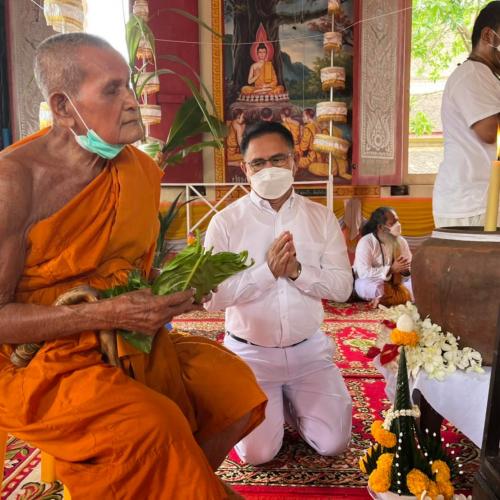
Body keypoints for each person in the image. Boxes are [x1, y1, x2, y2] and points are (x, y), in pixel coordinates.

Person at [0, 33, 267, 499]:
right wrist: (104, 314)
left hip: (126, 338)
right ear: (63, 107)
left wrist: (174, 291)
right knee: (154, 427)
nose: (131, 101)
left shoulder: (135, 171)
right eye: (112, 90)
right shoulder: (14, 182)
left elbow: (128, 272)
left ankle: (182, 484)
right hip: (36, 359)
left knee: (233, 387)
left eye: (128, 85)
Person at [204, 121, 353, 465]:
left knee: (334, 443)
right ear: (245, 169)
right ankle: (279, 405)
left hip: (308, 352)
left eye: (278, 159)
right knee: (257, 454)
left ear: (294, 161)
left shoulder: (320, 218)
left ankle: (291, 403)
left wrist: (297, 271)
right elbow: (212, 299)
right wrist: (266, 273)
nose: (268, 169)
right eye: (258, 163)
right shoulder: (225, 223)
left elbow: (343, 288)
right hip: (250, 356)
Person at [433, 1, 500, 228]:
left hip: (481, 200)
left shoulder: (487, 76)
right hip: (471, 203)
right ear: (489, 36)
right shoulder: (472, 74)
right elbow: (489, 131)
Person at [353, 207, 413, 309]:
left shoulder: (401, 241)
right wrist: (391, 269)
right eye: (392, 223)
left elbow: (410, 267)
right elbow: (363, 273)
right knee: (365, 286)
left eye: (397, 221)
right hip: (373, 282)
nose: (398, 225)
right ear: (380, 227)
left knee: (417, 284)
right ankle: (395, 298)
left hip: (397, 283)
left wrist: (405, 270)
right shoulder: (366, 242)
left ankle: (384, 299)